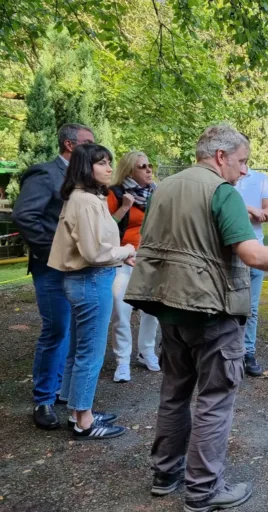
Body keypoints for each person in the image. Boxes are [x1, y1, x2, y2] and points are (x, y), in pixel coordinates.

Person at [123, 125, 268, 511]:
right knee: (214, 400)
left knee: (174, 393)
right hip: (211, 314)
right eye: (241, 162)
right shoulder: (221, 193)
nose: (244, 171)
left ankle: (165, 474)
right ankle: (203, 491)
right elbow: (253, 255)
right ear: (220, 156)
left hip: (168, 308)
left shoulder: (166, 187)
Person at [48, 143, 136, 440]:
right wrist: (126, 250)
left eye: (109, 162)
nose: (110, 168)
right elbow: (95, 252)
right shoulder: (84, 201)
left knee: (79, 349)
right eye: (102, 163)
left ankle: (77, 410)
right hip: (91, 280)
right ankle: (84, 421)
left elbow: (98, 240)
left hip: (87, 280)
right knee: (90, 353)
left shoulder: (87, 198)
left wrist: (121, 253)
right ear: (86, 168)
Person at [12, 123, 95, 430]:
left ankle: (64, 393)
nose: (93, 149)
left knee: (72, 330)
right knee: (56, 329)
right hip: (51, 268)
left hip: (76, 268)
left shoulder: (80, 179)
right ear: (70, 146)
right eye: (88, 143)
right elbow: (24, 215)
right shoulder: (45, 174)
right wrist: (54, 250)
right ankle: (43, 398)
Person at [108, 151, 160, 383]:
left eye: (150, 165)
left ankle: (146, 351)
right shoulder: (115, 194)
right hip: (122, 259)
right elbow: (105, 228)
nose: (149, 170)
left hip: (149, 258)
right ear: (129, 171)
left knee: (152, 310)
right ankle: (122, 361)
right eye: (142, 166)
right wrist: (124, 207)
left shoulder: (156, 194)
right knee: (121, 312)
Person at [235, 164, 268, 377]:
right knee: (230, 306)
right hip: (230, 253)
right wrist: (250, 210)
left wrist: (258, 213)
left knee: (251, 308)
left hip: (256, 251)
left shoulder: (260, 179)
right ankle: (230, 354)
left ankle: (248, 353)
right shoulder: (222, 178)